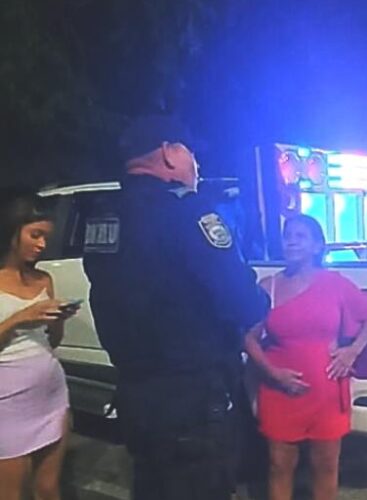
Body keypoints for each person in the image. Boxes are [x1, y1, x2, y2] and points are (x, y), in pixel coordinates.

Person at [82, 115, 269, 500]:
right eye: (191, 153)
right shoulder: (189, 212)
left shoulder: (104, 215)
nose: (196, 164)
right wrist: (260, 299)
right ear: (168, 153)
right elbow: (242, 301)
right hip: (193, 399)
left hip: (136, 394)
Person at [244, 214, 367, 500]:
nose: (292, 241)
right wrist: (273, 373)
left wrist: (351, 351)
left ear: (318, 246)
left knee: (326, 466)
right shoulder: (268, 287)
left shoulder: (335, 284)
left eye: (301, 236)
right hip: (280, 392)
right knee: (279, 466)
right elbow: (248, 338)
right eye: (287, 236)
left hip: (326, 394)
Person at [0, 190, 80, 500]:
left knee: (48, 489)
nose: (42, 245)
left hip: (51, 395)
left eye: (46, 237)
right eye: (35, 235)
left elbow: (53, 342)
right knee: (11, 493)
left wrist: (58, 320)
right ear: (12, 231)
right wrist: (20, 318)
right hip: (8, 402)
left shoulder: (44, 279)